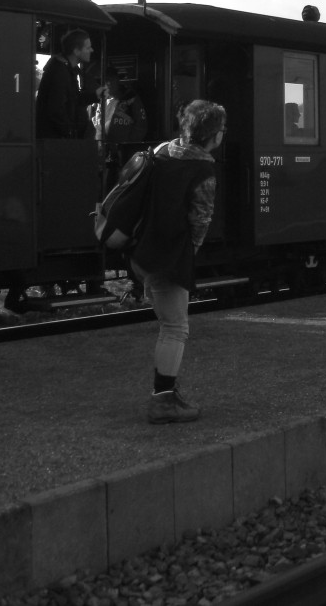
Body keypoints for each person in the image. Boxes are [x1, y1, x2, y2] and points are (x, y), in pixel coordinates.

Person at [132, 99, 225, 424]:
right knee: (174, 328)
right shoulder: (203, 170)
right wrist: (188, 256)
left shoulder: (161, 152)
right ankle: (162, 400)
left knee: (168, 324)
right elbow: (200, 222)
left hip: (142, 250)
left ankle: (168, 391)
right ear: (213, 135)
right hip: (167, 256)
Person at [35, 29, 93, 138]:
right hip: (56, 142)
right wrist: (70, 133)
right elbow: (56, 109)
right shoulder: (60, 72)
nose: (92, 50)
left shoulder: (67, 70)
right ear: (76, 51)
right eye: (88, 47)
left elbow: (73, 99)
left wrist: (95, 95)